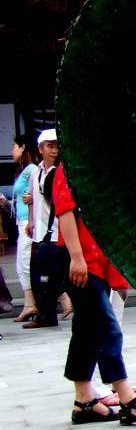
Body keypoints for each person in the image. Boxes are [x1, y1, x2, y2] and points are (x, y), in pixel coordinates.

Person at [52, 161, 136, 426]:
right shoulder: (68, 168)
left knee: (86, 331)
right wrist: (77, 258)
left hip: (97, 263)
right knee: (106, 328)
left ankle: (83, 402)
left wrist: (116, 273)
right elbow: (65, 212)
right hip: (80, 263)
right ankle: (128, 399)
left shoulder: (97, 169)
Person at [25, 129, 68, 329]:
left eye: (57, 146)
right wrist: (31, 221)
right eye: (50, 146)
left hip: (59, 231)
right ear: (40, 149)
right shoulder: (36, 172)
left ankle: (55, 310)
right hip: (41, 232)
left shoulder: (61, 171)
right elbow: (34, 198)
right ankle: (46, 313)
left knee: (55, 275)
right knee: (40, 275)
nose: (54, 151)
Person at [11, 135, 38, 322]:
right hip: (21, 220)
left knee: (25, 262)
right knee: (22, 264)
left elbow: (36, 193)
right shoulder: (22, 171)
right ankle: (30, 303)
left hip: (28, 222)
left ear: (23, 148)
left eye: (14, 147)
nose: (12, 151)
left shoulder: (31, 170)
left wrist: (30, 219)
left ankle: (31, 304)